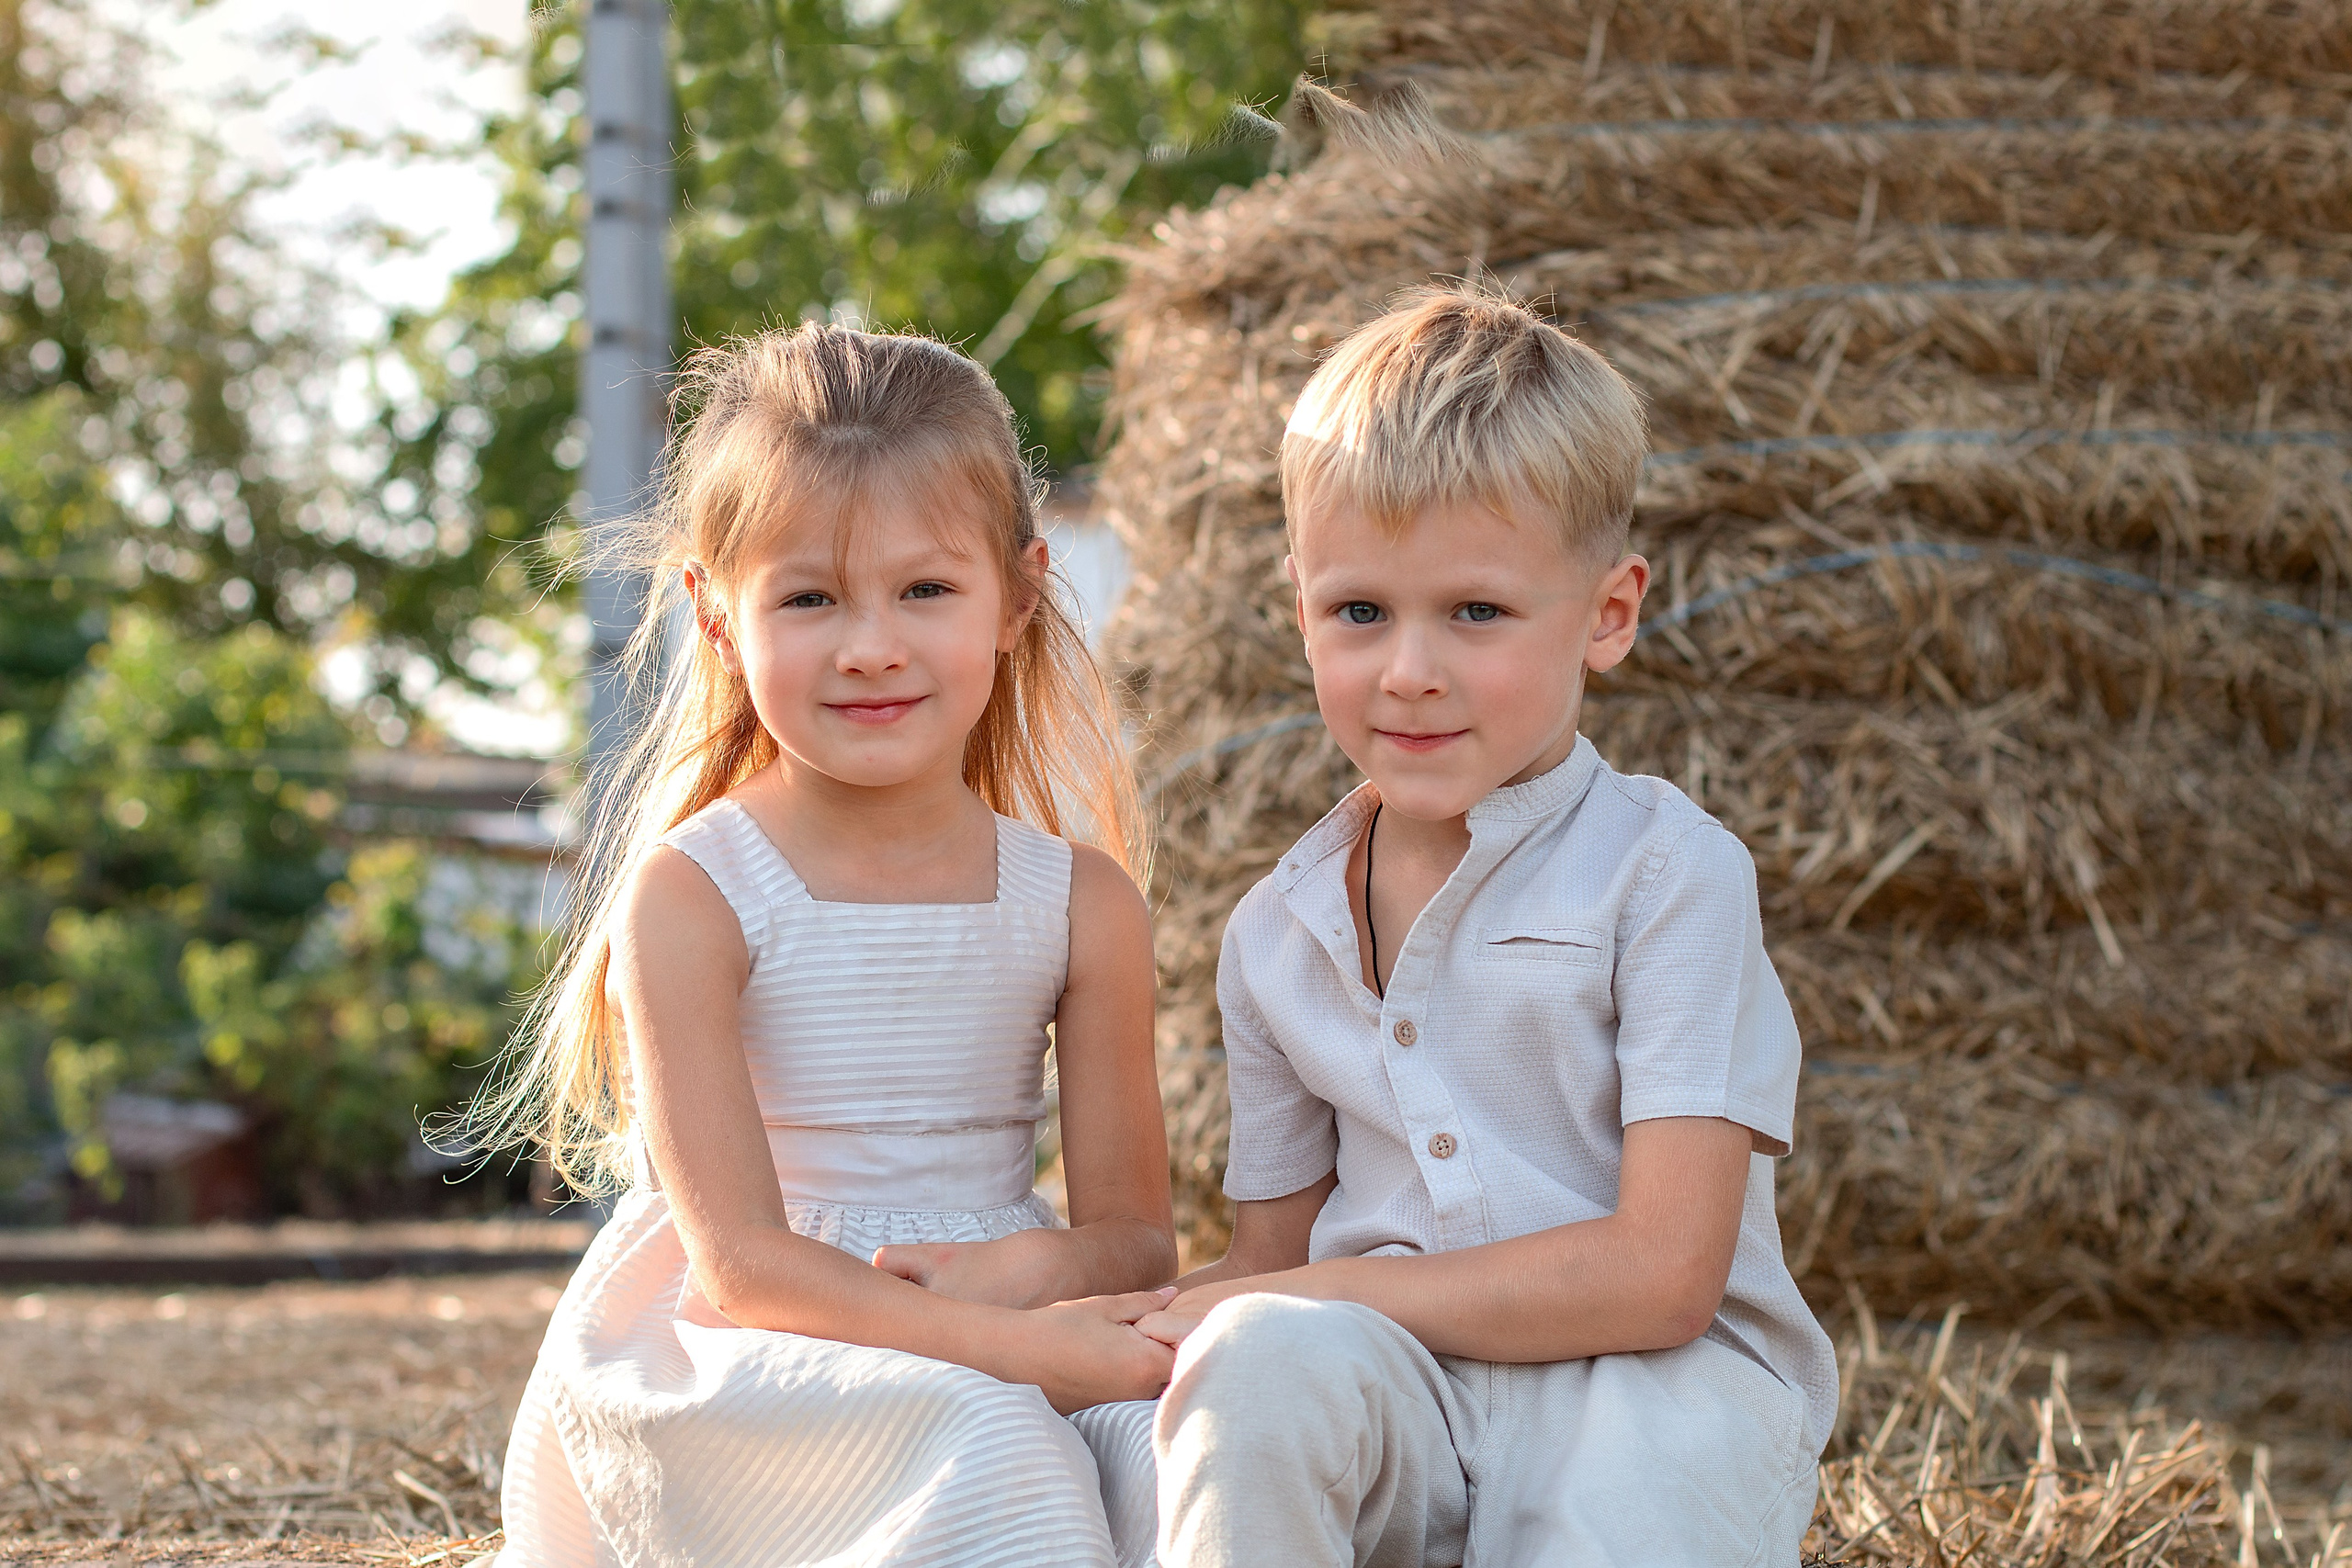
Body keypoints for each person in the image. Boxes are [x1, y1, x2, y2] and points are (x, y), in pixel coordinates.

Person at [1134, 288, 1838, 1567]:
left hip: (1653, 1396)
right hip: (1405, 1394)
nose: (1408, 671)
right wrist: (1087, 1323)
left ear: (1609, 614)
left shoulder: (1669, 875)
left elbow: (1663, 1273)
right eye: (1360, 612)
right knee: (1250, 1370)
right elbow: (1271, 1272)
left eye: (1476, 613)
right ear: (1298, 606)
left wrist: (1324, 1294)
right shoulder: (1275, 934)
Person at [475, 323, 1172, 1567]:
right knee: (995, 1449)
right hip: (750, 1351)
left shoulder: (1083, 902)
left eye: (925, 589)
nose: (869, 646)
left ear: (1019, 595)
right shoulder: (695, 894)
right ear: (714, 614)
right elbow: (742, 1267)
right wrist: (1019, 1351)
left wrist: (1023, 1282)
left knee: (1183, 1455)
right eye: (809, 597)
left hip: (1001, 1302)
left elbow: (1134, 1241)